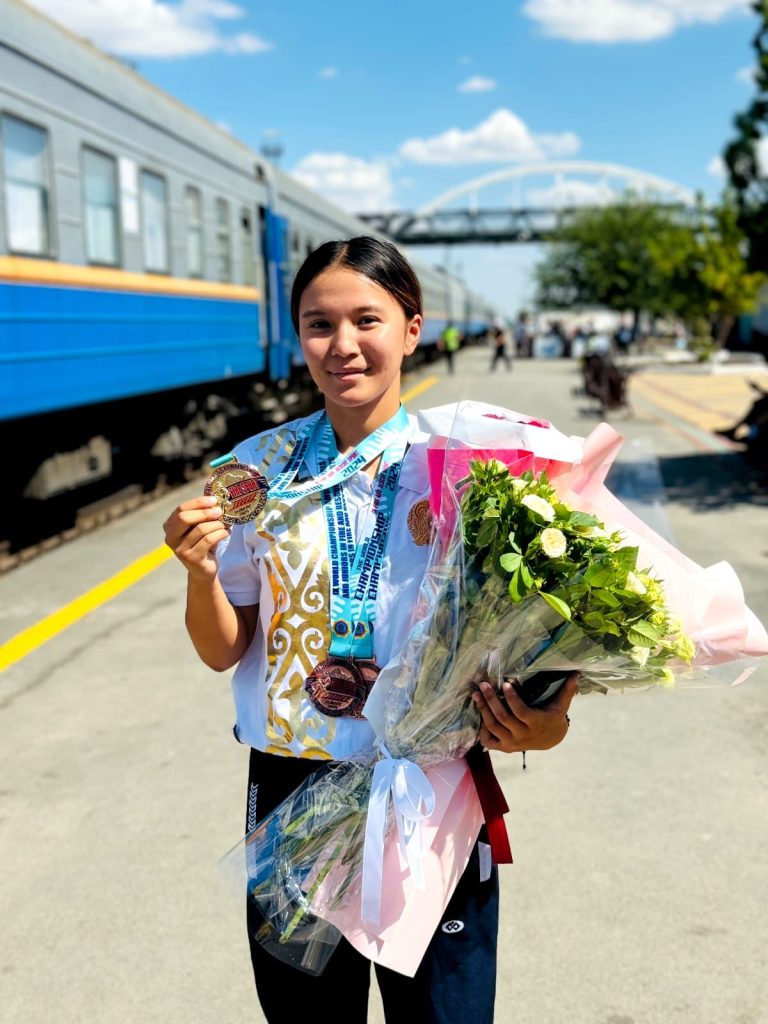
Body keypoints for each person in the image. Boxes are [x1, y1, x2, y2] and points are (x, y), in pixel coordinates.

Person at [162, 235, 578, 1024]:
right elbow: (224, 648)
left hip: (430, 790)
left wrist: (545, 722)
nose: (343, 345)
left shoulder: (473, 463)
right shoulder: (250, 473)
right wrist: (200, 573)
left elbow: (542, 634)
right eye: (319, 324)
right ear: (296, 338)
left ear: (413, 328)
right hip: (295, 784)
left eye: (367, 320)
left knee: (443, 1014)